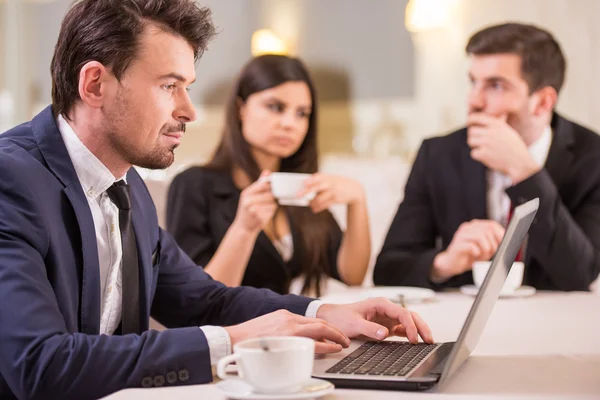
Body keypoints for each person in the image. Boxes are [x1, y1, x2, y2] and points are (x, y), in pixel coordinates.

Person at [0, 2, 434, 399]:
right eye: (169, 85)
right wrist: (234, 340)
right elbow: (40, 365)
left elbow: (208, 301)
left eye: (187, 86)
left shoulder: (128, 187)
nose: (189, 110)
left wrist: (326, 312)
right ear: (94, 84)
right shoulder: (11, 180)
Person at [374, 22, 600, 292]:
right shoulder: (438, 155)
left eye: (495, 86)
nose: (474, 101)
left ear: (543, 102)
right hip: (460, 317)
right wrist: (444, 263)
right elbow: (388, 269)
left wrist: (526, 173)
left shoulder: (592, 157)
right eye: (473, 82)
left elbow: (580, 273)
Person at [166, 54, 371, 296]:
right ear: (241, 109)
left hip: (292, 330)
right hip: (233, 332)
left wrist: (357, 200)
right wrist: (243, 229)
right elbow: (196, 301)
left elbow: (352, 276)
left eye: (302, 113)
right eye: (275, 107)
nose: (289, 123)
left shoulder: (298, 185)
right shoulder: (195, 185)